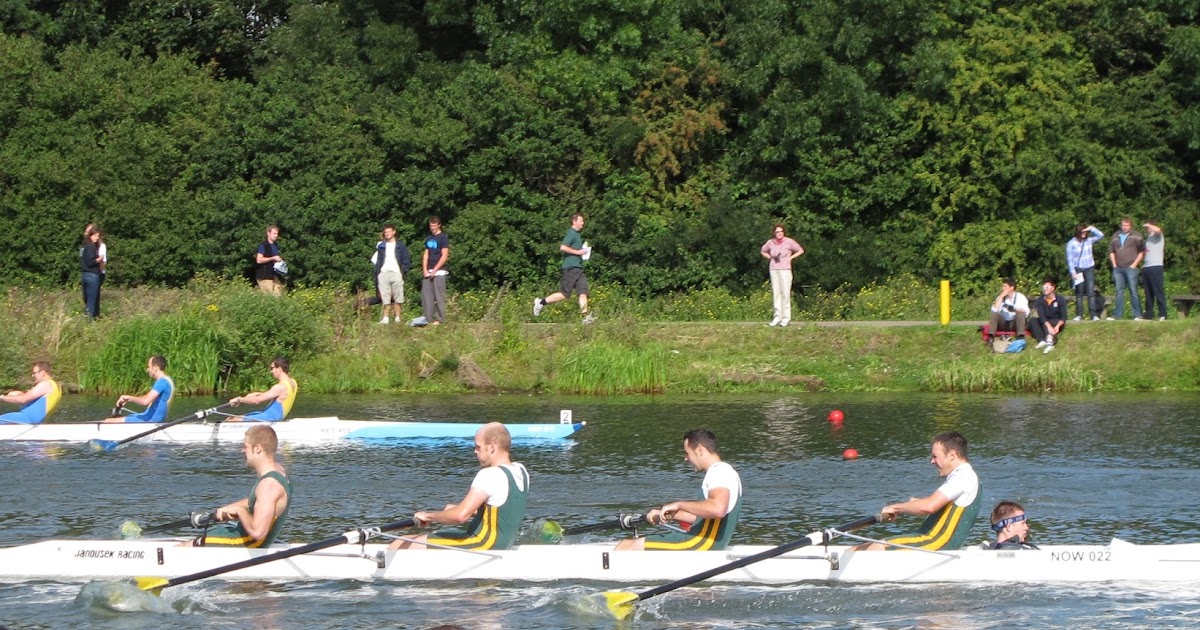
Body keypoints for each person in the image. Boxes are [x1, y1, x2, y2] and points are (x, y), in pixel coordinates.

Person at [389, 422, 529, 551]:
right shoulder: (521, 470)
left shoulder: (489, 474)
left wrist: (428, 516)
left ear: (492, 447)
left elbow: (460, 517)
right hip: (501, 545)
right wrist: (461, 510)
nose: (475, 451)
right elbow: (503, 510)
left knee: (401, 544)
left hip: (482, 545)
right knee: (411, 539)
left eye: (478, 447)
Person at [615, 429, 742, 551]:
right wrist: (665, 514)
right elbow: (706, 518)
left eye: (687, 453)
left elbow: (717, 509)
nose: (685, 458)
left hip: (700, 544)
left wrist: (679, 504)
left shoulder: (719, 472)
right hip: (707, 545)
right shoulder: (726, 472)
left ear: (699, 450)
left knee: (626, 546)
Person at [858, 432, 981, 551]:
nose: (932, 461)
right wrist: (914, 504)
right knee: (860, 549)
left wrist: (895, 508)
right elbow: (933, 505)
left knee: (875, 548)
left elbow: (929, 507)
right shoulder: (962, 475)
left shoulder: (963, 476)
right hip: (929, 540)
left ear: (952, 455)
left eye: (935, 456)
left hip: (936, 543)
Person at [192, 425, 291, 547]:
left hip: (247, 542)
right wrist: (225, 509)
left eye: (245, 447)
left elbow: (258, 532)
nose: (242, 451)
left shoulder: (268, 485)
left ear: (258, 449)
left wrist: (240, 511)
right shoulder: (279, 472)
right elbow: (256, 501)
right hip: (245, 538)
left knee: (187, 546)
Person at [533, 213, 595, 324]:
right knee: (565, 294)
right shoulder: (571, 233)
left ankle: (585, 317)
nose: (583, 223)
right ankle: (541, 302)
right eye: (581, 221)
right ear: (574, 221)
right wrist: (578, 252)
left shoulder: (577, 235)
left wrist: (583, 253)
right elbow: (563, 247)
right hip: (570, 268)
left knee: (583, 291)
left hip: (578, 268)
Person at [103, 355, 175, 423]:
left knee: (107, 421)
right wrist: (128, 399)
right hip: (149, 417)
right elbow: (147, 397)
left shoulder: (162, 383)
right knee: (124, 417)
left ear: (155, 368)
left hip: (150, 420)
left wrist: (129, 398)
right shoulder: (166, 380)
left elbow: (145, 401)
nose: (147, 369)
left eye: (149, 367)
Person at [760, 224, 805, 327]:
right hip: (774, 269)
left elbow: (800, 250)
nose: (779, 233)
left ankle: (786, 317)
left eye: (781, 231)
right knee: (776, 293)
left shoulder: (789, 242)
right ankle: (777, 316)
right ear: (774, 233)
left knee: (785, 293)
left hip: (785, 269)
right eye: (777, 232)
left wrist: (790, 258)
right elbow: (763, 251)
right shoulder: (770, 243)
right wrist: (770, 257)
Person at [227, 357, 298, 422]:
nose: (271, 371)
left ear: (279, 369)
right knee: (233, 417)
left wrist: (239, 399)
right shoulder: (293, 382)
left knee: (232, 420)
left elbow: (256, 401)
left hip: (270, 417)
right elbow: (277, 395)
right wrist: (257, 394)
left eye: (272, 368)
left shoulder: (280, 387)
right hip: (271, 415)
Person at [371, 225, 411, 324]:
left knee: (398, 296)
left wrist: (403, 271)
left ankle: (397, 318)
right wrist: (378, 274)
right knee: (385, 297)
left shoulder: (400, 246)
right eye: (385, 232)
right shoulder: (381, 246)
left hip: (396, 272)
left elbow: (406, 259)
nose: (387, 234)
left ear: (394, 232)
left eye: (389, 231)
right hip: (384, 272)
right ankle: (385, 318)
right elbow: (378, 261)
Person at [1107, 217, 1145, 320]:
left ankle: (1137, 314)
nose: (1125, 227)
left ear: (1130, 226)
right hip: (1118, 268)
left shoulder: (1137, 236)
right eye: (1123, 225)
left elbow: (1142, 251)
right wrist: (1114, 265)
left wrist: (1134, 264)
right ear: (1121, 225)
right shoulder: (1115, 236)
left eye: (1127, 225)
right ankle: (1117, 314)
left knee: (1133, 291)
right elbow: (1111, 251)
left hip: (1131, 268)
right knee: (1119, 291)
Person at [1066, 224, 1104, 321]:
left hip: (1089, 268)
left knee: (1090, 292)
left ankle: (1093, 315)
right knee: (1079, 293)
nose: (1084, 234)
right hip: (1078, 269)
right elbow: (1070, 259)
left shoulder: (1088, 240)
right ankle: (1079, 314)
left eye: (1085, 232)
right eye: (1082, 232)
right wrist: (1072, 272)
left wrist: (1091, 228)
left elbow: (1101, 235)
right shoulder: (1071, 243)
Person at [421, 216, 450, 326]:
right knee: (426, 295)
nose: (432, 228)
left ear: (439, 225)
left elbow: (444, 255)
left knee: (439, 296)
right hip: (428, 270)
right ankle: (427, 318)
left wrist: (435, 270)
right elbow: (426, 254)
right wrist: (425, 269)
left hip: (439, 271)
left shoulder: (443, 238)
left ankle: (440, 319)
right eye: (430, 226)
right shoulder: (429, 238)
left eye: (434, 226)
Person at [1029, 277, 1068, 354]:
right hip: (1045, 320)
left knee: (1050, 327)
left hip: (1056, 321)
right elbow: (1042, 316)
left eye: (1047, 287)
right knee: (1033, 321)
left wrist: (1058, 326)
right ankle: (1042, 340)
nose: (1045, 289)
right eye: (1044, 287)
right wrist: (1048, 326)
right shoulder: (1040, 300)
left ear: (1053, 288)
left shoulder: (1060, 299)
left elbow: (1063, 317)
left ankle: (1050, 342)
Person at [985, 277, 1029, 342]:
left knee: (1020, 313)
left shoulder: (1020, 297)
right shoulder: (1001, 297)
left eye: (1005, 286)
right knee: (994, 314)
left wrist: (1014, 309)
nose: (1003, 288)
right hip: (1004, 322)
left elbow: (1026, 312)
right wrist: (1001, 297)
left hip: (1014, 322)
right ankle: (991, 337)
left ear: (1011, 288)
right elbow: (994, 310)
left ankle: (1020, 337)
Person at [1141, 220, 1167, 321]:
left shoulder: (1158, 236)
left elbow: (1159, 230)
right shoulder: (1148, 239)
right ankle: (1149, 313)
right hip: (1146, 267)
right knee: (1148, 292)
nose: (1147, 230)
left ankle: (1163, 313)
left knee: (1158, 290)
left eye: (1148, 228)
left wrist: (1148, 224)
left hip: (1156, 266)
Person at [255, 225, 285, 296]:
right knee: (269, 298)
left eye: (277, 234)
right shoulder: (263, 245)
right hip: (264, 277)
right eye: (274, 233)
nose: (276, 235)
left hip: (273, 275)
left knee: (278, 296)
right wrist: (273, 258)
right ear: (268, 233)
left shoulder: (275, 245)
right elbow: (259, 260)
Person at [81, 227, 103, 320]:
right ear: (90, 235)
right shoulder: (91, 246)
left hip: (85, 274)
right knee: (92, 300)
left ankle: (88, 317)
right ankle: (89, 320)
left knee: (87, 299)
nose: (96, 238)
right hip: (92, 275)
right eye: (95, 236)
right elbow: (90, 262)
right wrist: (99, 260)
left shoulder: (84, 246)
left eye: (98, 236)